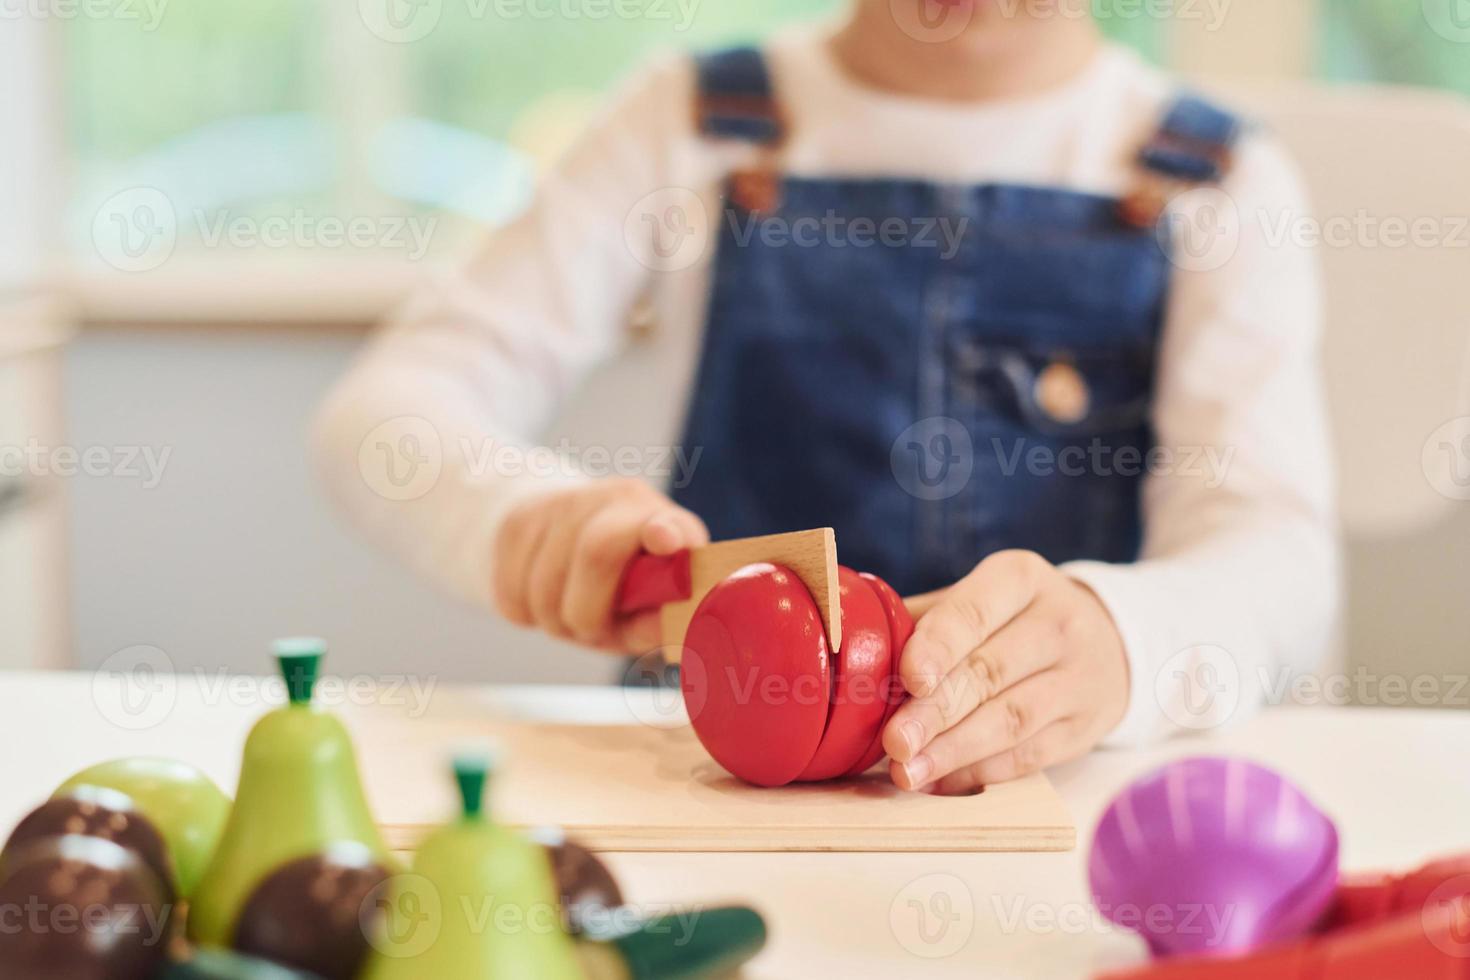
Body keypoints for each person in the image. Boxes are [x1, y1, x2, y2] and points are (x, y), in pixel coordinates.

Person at [314, 1, 1339, 795]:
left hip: (1047, 804)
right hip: (704, 782)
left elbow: (1281, 554)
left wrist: (1125, 636)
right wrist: (520, 516)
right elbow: (385, 415)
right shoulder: (691, 121)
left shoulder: (1223, 179)